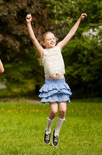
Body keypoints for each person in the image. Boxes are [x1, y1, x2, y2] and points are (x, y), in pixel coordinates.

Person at [26, 13, 87, 147]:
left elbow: (70, 34)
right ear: (44, 42)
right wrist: (29, 23)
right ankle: (48, 130)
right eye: (49, 39)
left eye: (53, 38)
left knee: (63, 110)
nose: (52, 40)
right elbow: (32, 38)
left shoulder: (59, 48)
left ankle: (56, 133)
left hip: (61, 83)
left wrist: (79, 19)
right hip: (50, 84)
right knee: (54, 111)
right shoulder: (43, 52)